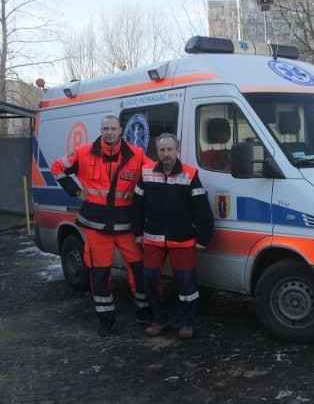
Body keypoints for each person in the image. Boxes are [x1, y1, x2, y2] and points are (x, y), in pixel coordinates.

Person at [51, 115, 153, 337]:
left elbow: (155, 174)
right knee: (100, 275)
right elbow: (57, 167)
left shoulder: (135, 154)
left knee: (138, 271)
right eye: (105, 128)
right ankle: (106, 320)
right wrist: (76, 192)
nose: (109, 132)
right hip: (97, 226)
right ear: (101, 130)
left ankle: (144, 313)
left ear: (120, 131)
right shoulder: (84, 152)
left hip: (126, 225)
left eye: (113, 128)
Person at [132, 133, 214, 340]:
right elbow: (137, 206)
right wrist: (137, 232)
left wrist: (204, 238)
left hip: (182, 238)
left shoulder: (189, 174)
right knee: (149, 278)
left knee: (186, 283)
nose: (166, 154)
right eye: (162, 150)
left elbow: (201, 208)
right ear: (157, 152)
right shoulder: (147, 172)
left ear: (177, 151)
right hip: (153, 238)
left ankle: (185, 322)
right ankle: (159, 320)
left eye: (170, 149)